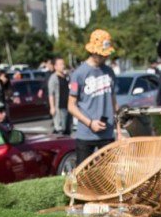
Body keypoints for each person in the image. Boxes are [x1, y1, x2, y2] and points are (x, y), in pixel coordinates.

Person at [68, 29, 118, 164]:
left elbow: (113, 102)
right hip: (86, 134)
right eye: (103, 54)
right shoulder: (79, 73)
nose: (106, 57)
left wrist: (119, 127)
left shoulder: (109, 72)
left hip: (107, 134)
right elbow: (71, 106)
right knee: (83, 177)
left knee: (108, 176)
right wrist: (90, 123)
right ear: (94, 52)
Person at [47, 56, 70, 134]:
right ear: (55, 66)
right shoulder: (53, 78)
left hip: (68, 106)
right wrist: (52, 107)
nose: (63, 66)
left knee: (68, 129)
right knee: (60, 129)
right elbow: (51, 94)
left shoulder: (66, 76)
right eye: (60, 64)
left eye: (63, 64)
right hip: (59, 107)